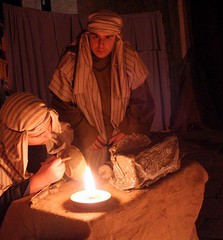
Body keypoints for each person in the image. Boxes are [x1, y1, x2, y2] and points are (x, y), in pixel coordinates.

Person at [49, 9, 155, 172]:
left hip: (120, 136)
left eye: (108, 37)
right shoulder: (71, 63)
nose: (101, 45)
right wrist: (85, 131)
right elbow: (61, 105)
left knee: (125, 182)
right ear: (87, 35)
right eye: (95, 37)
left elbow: (142, 102)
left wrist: (127, 130)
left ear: (116, 38)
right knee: (90, 183)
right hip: (88, 141)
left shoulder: (129, 61)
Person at [0, 92, 86, 226]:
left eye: (49, 126)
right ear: (18, 140)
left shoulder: (40, 142)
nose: (48, 135)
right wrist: (39, 180)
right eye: (40, 134)